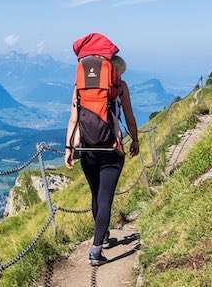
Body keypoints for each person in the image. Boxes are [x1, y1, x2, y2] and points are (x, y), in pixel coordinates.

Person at [63, 33, 140, 266]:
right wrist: (135, 140)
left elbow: (73, 118)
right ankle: (96, 250)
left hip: (87, 150)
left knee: (95, 194)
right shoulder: (120, 87)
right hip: (111, 150)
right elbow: (129, 116)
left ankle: (103, 235)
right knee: (105, 197)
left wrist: (68, 148)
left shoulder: (80, 87)